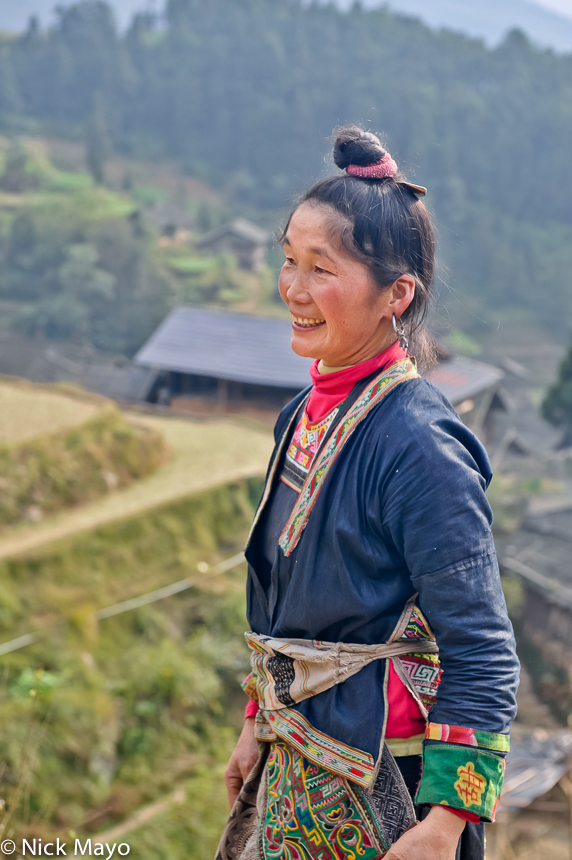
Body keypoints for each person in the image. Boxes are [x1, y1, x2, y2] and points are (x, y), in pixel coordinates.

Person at [216, 127, 519, 860]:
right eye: (289, 260)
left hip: (389, 788)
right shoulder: (306, 415)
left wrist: (446, 823)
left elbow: (481, 650)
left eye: (322, 269)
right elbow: (294, 603)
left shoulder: (418, 448)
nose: (293, 288)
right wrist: (257, 717)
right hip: (298, 757)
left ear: (398, 295)